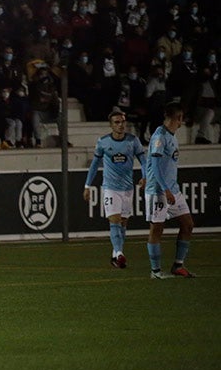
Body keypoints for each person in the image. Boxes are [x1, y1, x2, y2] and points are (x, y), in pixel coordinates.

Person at [83, 108, 146, 268]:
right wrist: (87, 185)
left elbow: (144, 161)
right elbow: (95, 164)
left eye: (123, 122)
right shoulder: (103, 142)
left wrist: (145, 176)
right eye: (117, 122)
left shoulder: (133, 141)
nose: (121, 125)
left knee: (123, 223)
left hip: (127, 188)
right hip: (110, 188)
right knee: (115, 220)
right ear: (111, 125)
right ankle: (119, 253)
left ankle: (115, 255)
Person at [145, 102, 195, 279]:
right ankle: (156, 271)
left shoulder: (172, 136)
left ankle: (178, 266)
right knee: (157, 229)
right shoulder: (160, 136)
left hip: (173, 190)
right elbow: (157, 166)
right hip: (159, 190)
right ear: (179, 118)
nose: (182, 122)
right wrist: (165, 189)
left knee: (188, 224)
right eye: (181, 118)